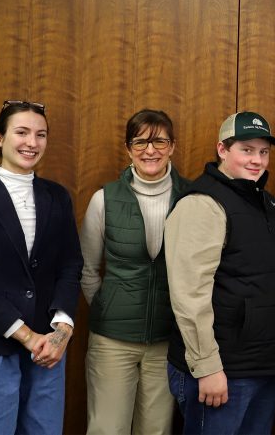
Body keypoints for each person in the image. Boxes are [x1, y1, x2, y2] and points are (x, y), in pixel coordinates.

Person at [0, 100, 83, 434]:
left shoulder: (58, 196)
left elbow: (70, 264)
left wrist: (62, 330)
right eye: (21, 132)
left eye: (41, 135)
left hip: (47, 354)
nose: (32, 143)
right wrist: (26, 335)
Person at [164, 111, 275, 435]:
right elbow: (189, 294)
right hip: (221, 372)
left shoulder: (268, 204)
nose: (257, 160)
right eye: (246, 150)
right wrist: (207, 367)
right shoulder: (203, 203)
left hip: (263, 368)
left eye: (263, 152)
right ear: (222, 149)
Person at [80, 109, 190, 435]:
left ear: (172, 146)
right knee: (106, 429)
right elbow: (86, 269)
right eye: (140, 141)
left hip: (168, 340)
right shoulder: (104, 199)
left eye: (159, 140)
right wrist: (107, 308)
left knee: (156, 430)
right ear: (128, 148)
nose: (150, 150)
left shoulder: (192, 197)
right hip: (112, 341)